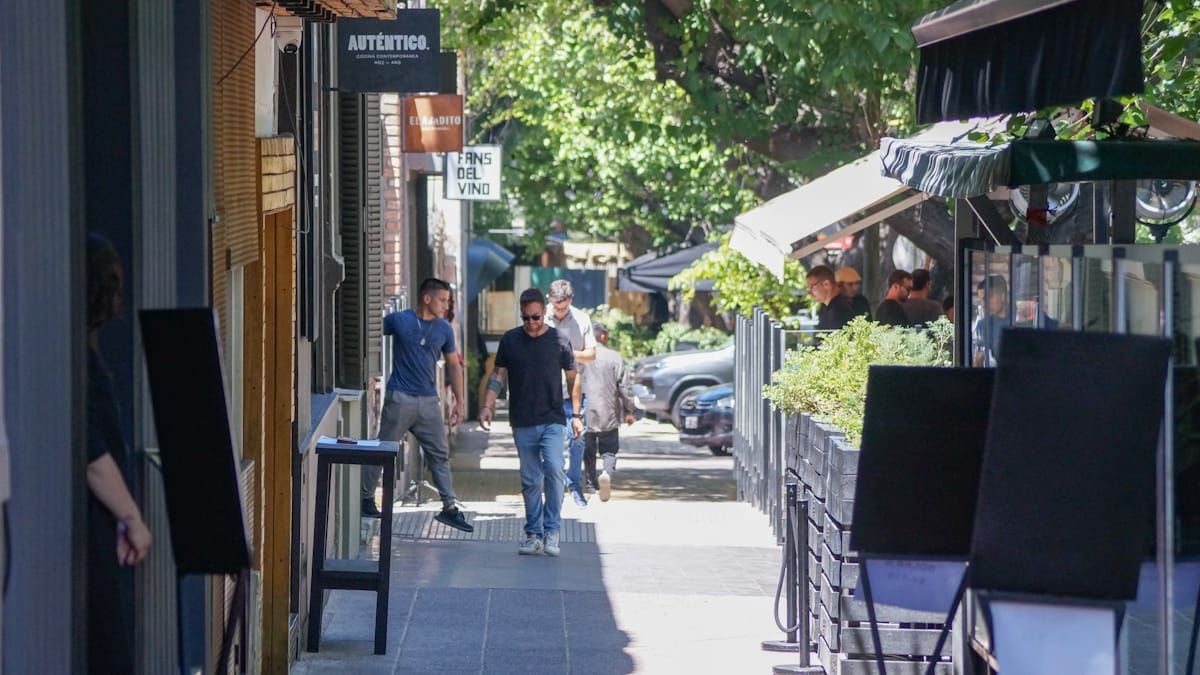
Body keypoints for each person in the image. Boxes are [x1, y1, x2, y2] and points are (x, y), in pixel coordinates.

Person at [86, 234, 153, 674]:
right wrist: (133, 518)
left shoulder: (80, 354)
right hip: (89, 530)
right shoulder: (78, 362)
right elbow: (93, 455)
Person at [362, 277, 473, 532]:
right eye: (442, 300)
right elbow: (368, 331)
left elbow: (454, 366)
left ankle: (449, 508)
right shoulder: (400, 320)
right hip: (400, 396)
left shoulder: (445, 329)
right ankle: (366, 499)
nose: (446, 305)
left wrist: (459, 400)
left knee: (440, 454)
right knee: (384, 448)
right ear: (427, 298)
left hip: (428, 401)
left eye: (447, 300)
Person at [480, 288, 583, 557]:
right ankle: (533, 533)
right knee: (529, 479)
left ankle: (552, 530)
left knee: (554, 469)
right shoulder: (511, 340)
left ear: (544, 314)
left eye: (536, 317)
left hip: (552, 418)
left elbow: (573, 379)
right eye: (526, 318)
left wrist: (577, 415)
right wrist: (487, 405)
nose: (531, 323)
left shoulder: (559, 340)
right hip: (522, 419)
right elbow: (498, 375)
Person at [544, 279, 596, 507]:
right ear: (549, 300)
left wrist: (566, 354)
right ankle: (551, 485)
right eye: (556, 307)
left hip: (573, 391)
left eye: (563, 307)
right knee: (547, 441)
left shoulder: (582, 320)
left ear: (570, 301)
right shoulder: (540, 317)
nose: (559, 311)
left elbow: (591, 354)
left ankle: (574, 484)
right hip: (544, 391)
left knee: (577, 438)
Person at [581, 322, 636, 502]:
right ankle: (606, 474)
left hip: (585, 411)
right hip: (609, 412)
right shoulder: (615, 357)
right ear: (603, 336)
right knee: (609, 450)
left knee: (588, 451)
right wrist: (629, 411)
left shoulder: (581, 357)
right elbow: (625, 387)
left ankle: (590, 485)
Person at [808, 265, 855, 332]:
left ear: (826, 284)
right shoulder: (825, 308)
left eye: (812, 287)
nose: (809, 293)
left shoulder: (840, 309)